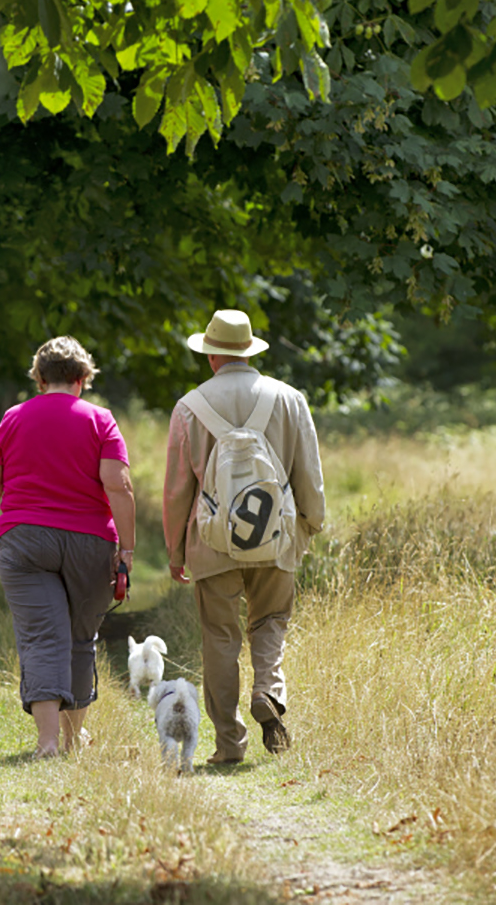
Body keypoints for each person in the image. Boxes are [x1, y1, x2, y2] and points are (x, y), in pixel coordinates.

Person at [162, 309, 326, 764]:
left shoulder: (189, 407)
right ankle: (268, 691)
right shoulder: (291, 399)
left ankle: (229, 743)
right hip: (277, 535)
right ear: (250, 351)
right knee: (270, 621)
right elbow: (308, 472)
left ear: (211, 355)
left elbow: (178, 490)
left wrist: (176, 548)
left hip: (211, 542)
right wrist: (309, 524)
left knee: (219, 636)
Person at [0, 336, 136, 758]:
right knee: (81, 637)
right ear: (82, 379)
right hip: (90, 541)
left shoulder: (13, 418)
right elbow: (118, 486)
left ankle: (47, 742)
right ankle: (71, 740)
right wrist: (128, 550)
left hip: (24, 539)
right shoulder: (101, 420)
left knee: (42, 637)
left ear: (39, 380)